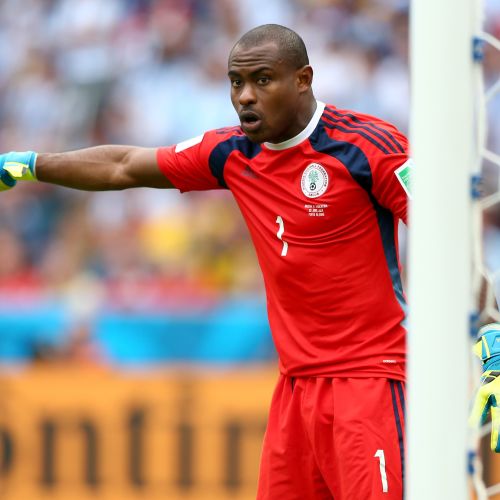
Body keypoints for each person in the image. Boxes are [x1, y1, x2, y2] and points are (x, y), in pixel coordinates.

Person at [0, 24, 412, 500]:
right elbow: (123, 166)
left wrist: (481, 332)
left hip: (369, 379)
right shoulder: (232, 152)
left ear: (303, 79)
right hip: (295, 389)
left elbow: (452, 228)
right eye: (237, 82)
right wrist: (29, 164)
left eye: (262, 80)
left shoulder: (367, 146)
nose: (246, 96)